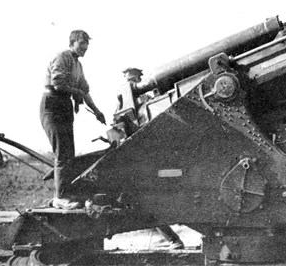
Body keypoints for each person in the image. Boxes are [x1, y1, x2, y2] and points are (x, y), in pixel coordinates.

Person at [41, 30, 106, 210]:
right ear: (72, 43)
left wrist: (97, 112)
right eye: (81, 43)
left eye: (87, 44)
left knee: (69, 153)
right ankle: (60, 197)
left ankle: (65, 194)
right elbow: (58, 84)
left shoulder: (78, 65)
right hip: (52, 106)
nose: (85, 47)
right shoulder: (63, 57)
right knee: (62, 153)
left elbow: (85, 91)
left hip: (64, 108)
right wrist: (77, 94)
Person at [121, 67, 185, 250]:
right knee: (147, 201)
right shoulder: (126, 105)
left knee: (150, 201)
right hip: (140, 157)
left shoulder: (151, 100)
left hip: (154, 157)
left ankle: (174, 240)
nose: (131, 83)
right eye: (129, 80)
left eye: (134, 80)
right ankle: (173, 239)